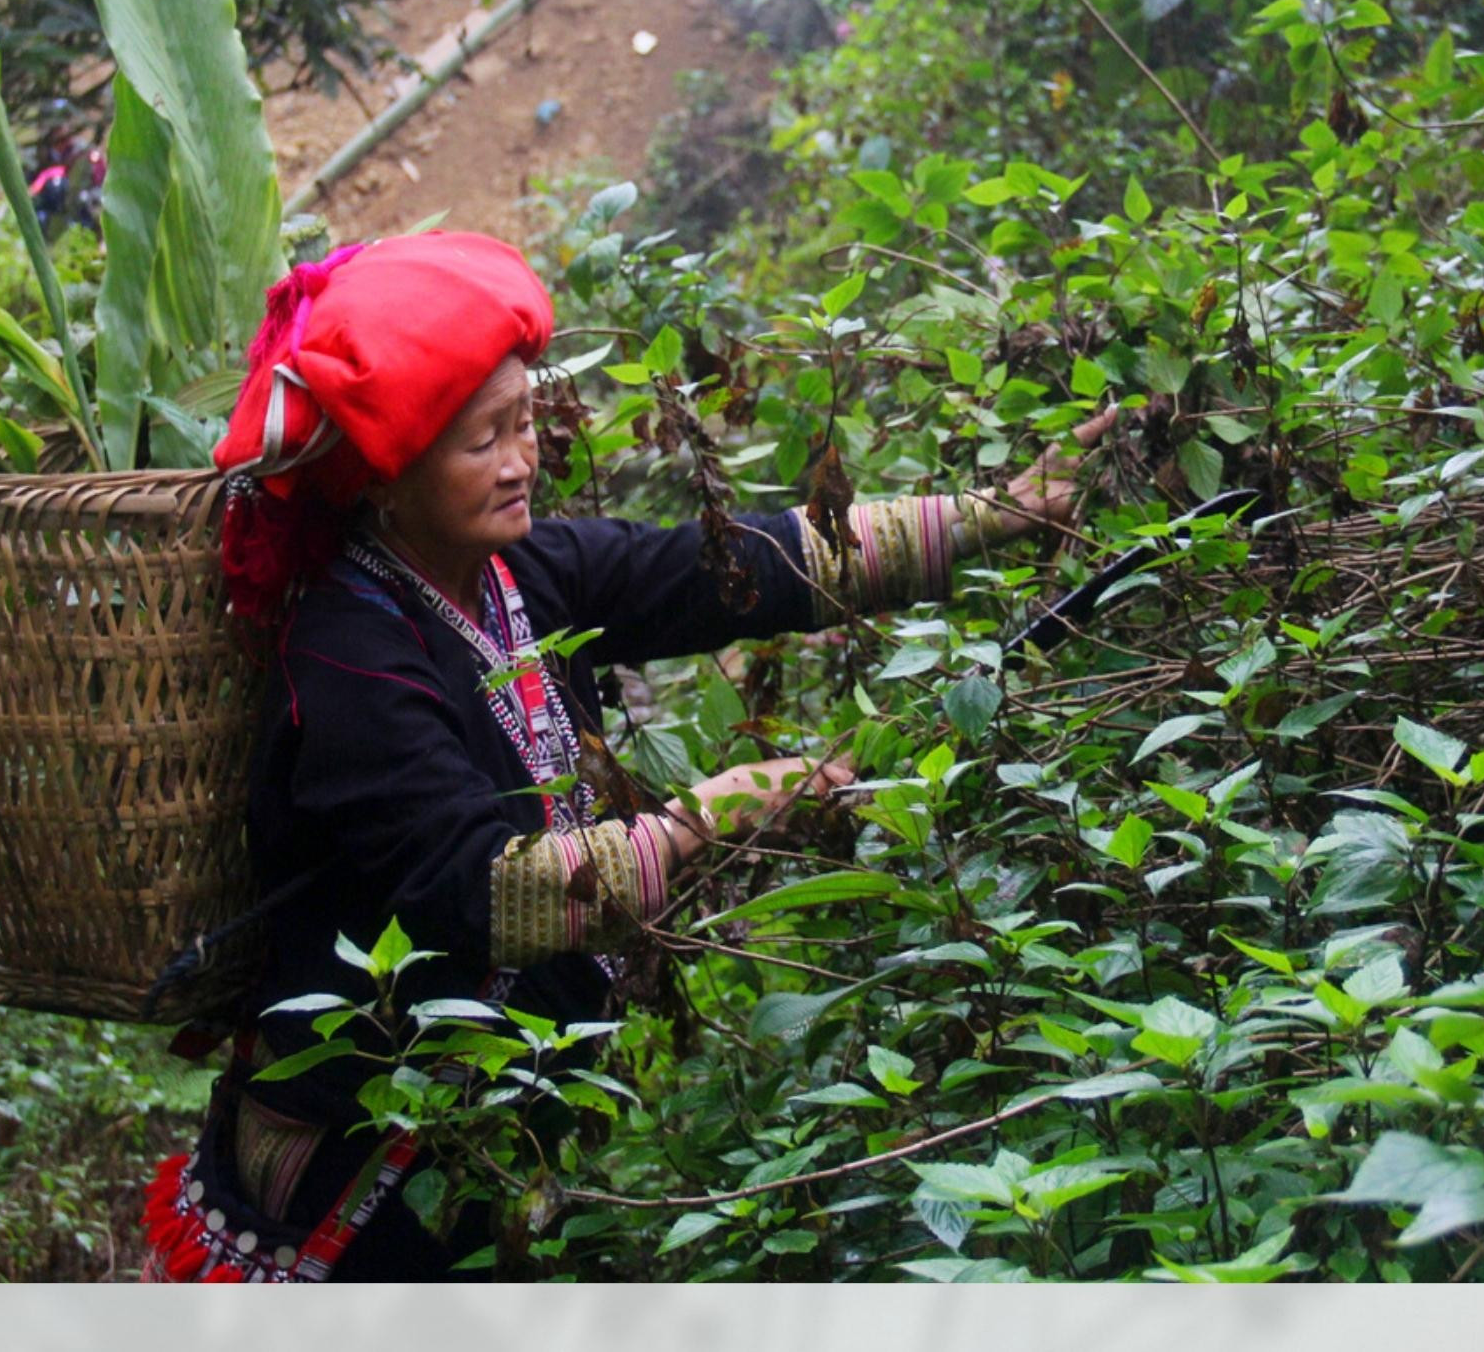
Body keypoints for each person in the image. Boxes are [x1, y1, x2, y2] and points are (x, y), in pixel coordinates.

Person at [139, 231, 1110, 1282]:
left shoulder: (522, 571)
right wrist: (711, 815)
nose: (521, 460)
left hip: (494, 1130)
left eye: (523, 424)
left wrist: (992, 516)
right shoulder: (347, 652)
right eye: (482, 440)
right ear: (388, 475)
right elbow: (484, 890)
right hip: (360, 1170)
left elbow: (733, 571)